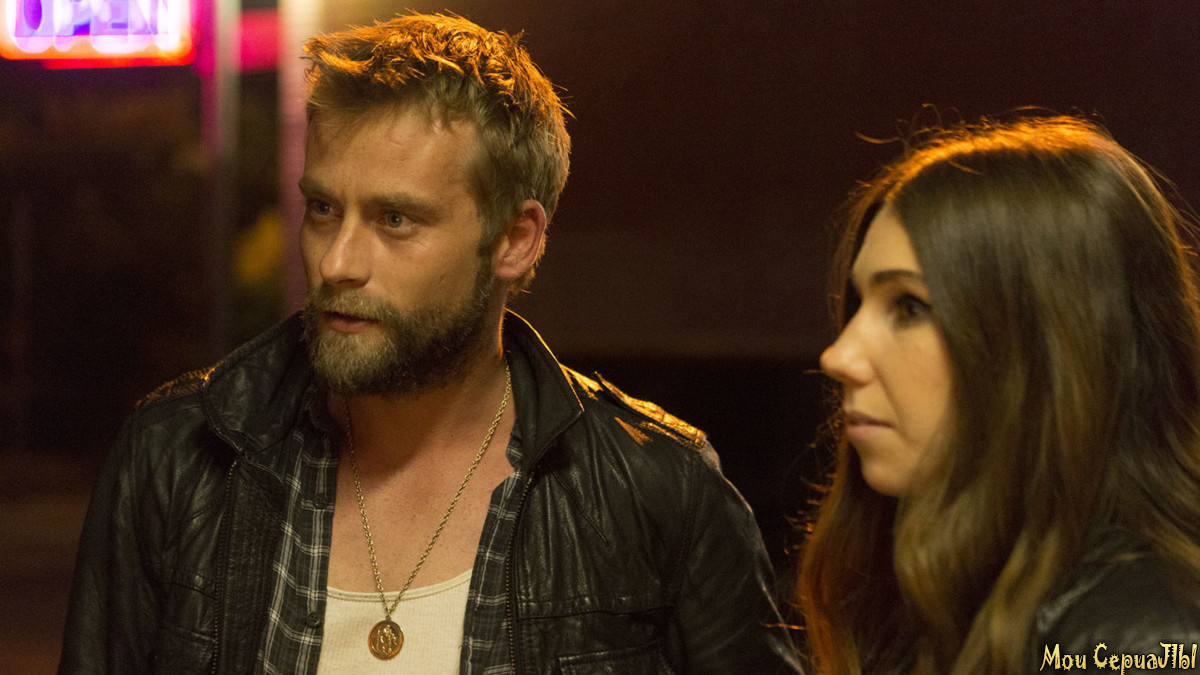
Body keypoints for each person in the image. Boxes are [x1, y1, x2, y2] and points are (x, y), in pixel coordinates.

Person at [59, 12, 800, 674]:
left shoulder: (657, 490)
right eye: (323, 209)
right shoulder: (174, 457)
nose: (338, 262)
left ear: (514, 239)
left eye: (395, 220)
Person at [798, 116, 1200, 673]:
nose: (839, 356)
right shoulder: (927, 594)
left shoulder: (1144, 638)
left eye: (909, 306)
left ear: (1048, 347)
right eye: (859, 302)